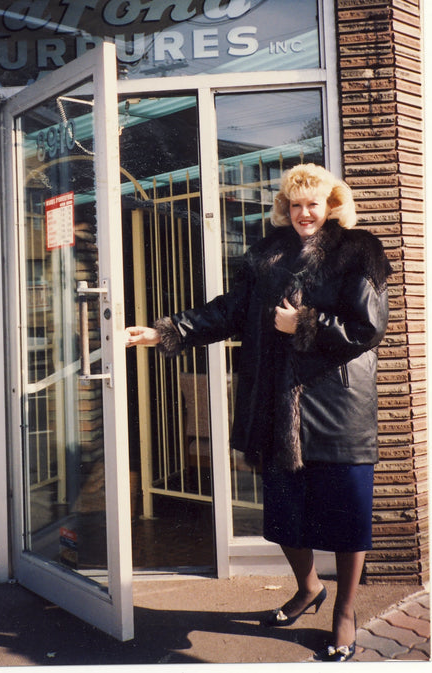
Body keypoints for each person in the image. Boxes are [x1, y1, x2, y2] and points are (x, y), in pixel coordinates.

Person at [126, 162, 392, 662]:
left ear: (331, 204)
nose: (304, 213)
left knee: (346, 518)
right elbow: (229, 310)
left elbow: (369, 327)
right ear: (284, 208)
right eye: (295, 204)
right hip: (274, 403)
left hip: (339, 407)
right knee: (286, 515)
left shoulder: (361, 250)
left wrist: (306, 324)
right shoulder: (265, 254)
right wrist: (166, 332)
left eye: (313, 203)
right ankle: (309, 587)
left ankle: (345, 611)